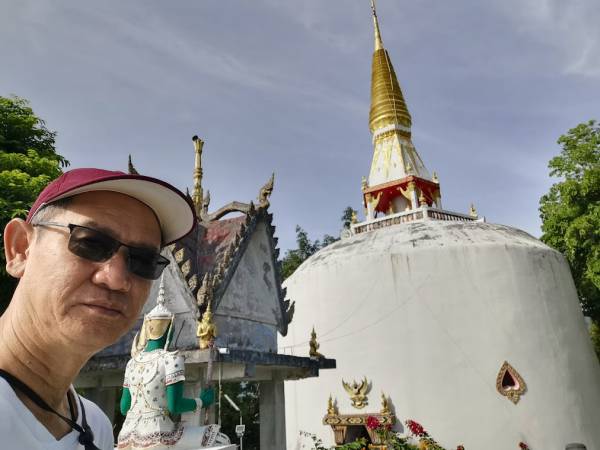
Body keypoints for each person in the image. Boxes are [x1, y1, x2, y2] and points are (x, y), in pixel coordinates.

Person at [0, 168, 196, 450]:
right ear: (21, 249)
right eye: (90, 242)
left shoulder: (95, 425)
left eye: (143, 260)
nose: (117, 280)